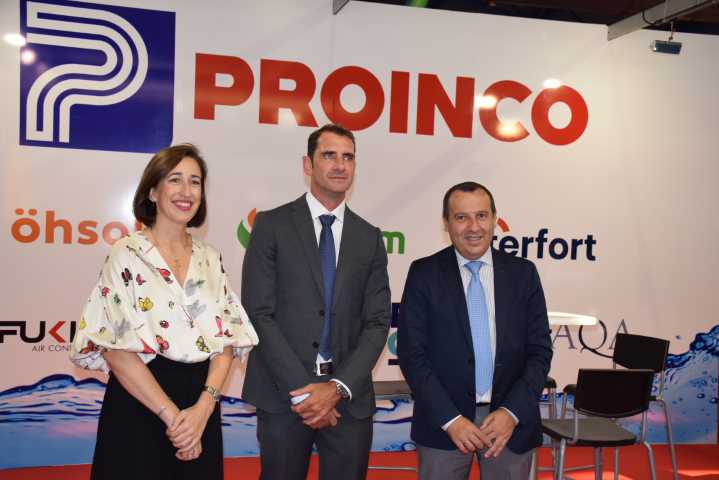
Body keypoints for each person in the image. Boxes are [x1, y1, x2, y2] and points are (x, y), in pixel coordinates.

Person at [70, 144, 258, 480]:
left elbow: (227, 341)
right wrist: (174, 418)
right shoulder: (126, 254)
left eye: (195, 182)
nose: (187, 191)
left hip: (200, 407)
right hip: (140, 405)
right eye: (175, 180)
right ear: (153, 191)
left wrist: (203, 410)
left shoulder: (209, 257)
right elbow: (115, 349)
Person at [241, 124, 391, 480]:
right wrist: (305, 394)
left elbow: (377, 321)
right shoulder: (271, 225)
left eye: (348, 157)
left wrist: (336, 389)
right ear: (308, 164)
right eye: (329, 156)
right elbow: (258, 313)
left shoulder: (369, 237)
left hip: (348, 401)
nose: (340, 165)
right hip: (283, 395)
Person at [397, 181, 552, 480]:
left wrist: (511, 412)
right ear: (446, 223)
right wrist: (451, 419)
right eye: (461, 217)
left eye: (481, 216)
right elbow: (412, 354)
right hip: (444, 424)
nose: (473, 227)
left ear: (495, 219)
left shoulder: (523, 273)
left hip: (509, 426)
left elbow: (540, 352)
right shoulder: (423, 274)